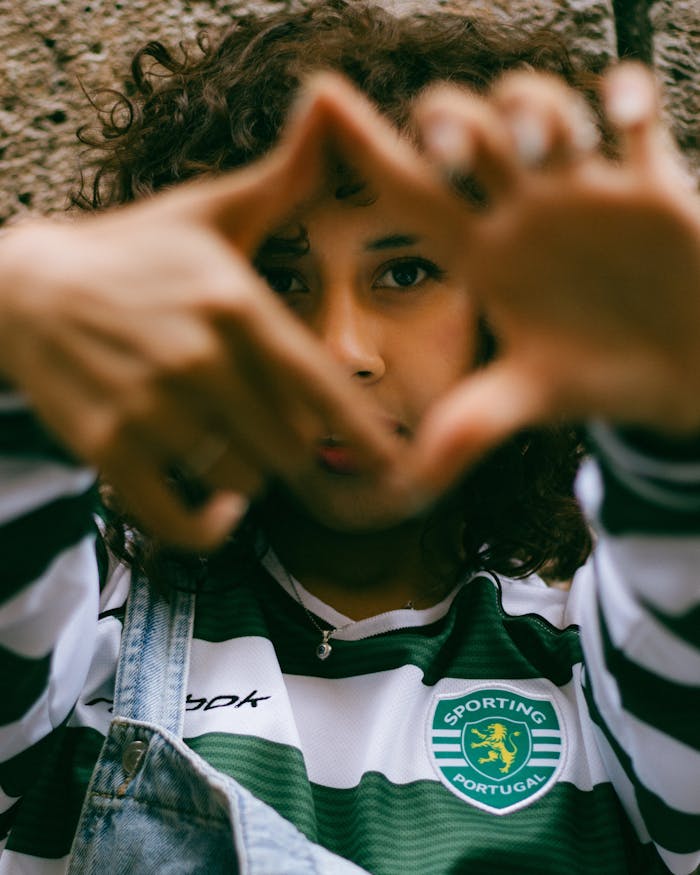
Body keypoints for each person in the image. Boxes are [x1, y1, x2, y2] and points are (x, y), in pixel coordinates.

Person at [0, 2, 699, 873]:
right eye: (279, 277)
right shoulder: (79, 635)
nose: (341, 352)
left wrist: (673, 434)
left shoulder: (595, 662)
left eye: (405, 272)